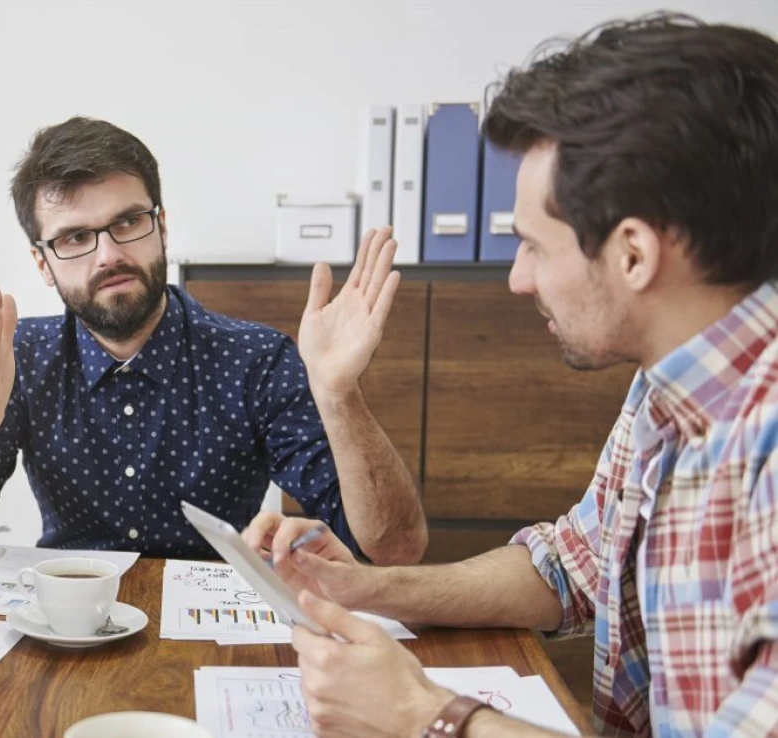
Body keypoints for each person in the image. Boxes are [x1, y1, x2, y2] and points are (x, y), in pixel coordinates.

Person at [254, 14, 778, 737]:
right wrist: (362, 586)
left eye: (532, 245)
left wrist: (427, 717)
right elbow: (568, 568)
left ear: (633, 254)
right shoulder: (666, 389)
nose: (517, 280)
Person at [0, 116, 426, 564]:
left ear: (162, 227)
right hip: (68, 627)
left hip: (214, 638)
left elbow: (392, 550)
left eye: (127, 222)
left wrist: (339, 394)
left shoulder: (256, 360)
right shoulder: (23, 358)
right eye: (76, 237)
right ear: (43, 263)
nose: (107, 255)